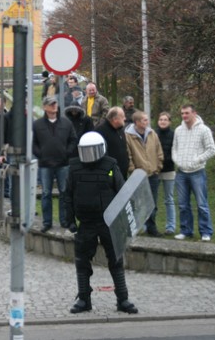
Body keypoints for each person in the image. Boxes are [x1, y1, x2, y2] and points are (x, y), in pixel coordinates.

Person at [63, 131, 138, 315]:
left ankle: (123, 299)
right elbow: (68, 196)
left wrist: (124, 222)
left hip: (109, 222)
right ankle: (83, 299)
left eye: (92, 151)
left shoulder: (110, 165)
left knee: (116, 261)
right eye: (85, 151)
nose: (89, 155)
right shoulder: (74, 168)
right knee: (82, 262)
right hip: (86, 222)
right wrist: (69, 221)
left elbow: (122, 192)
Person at [172, 104, 215, 242]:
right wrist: (177, 160)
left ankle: (206, 232)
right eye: (182, 113)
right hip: (181, 173)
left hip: (197, 172)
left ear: (194, 113)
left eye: (187, 113)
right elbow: (175, 148)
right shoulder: (178, 130)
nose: (184, 116)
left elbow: (211, 150)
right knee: (183, 204)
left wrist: (197, 160)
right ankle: (186, 231)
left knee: (202, 204)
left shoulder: (204, 130)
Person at [33, 96, 78, 232]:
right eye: (51, 104)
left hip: (63, 163)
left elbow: (73, 139)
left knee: (64, 192)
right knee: (46, 193)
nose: (54, 106)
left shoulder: (66, 123)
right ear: (44, 107)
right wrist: (40, 154)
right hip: (45, 164)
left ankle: (64, 220)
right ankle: (47, 222)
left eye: (55, 104)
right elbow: (32, 142)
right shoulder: (37, 124)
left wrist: (67, 152)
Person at [125, 111, 164, 237]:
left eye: (147, 120)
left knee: (152, 202)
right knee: (139, 203)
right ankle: (138, 227)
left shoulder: (152, 134)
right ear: (137, 122)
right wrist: (133, 170)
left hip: (153, 174)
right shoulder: (128, 136)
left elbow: (159, 151)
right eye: (144, 120)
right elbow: (128, 155)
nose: (147, 122)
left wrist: (158, 167)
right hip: (138, 176)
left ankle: (152, 227)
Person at [156, 111, 177, 235]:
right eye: (161, 119)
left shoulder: (174, 134)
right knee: (152, 199)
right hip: (155, 170)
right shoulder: (153, 133)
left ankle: (171, 226)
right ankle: (149, 225)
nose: (162, 121)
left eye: (165, 119)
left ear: (169, 122)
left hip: (169, 170)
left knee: (169, 199)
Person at [95, 107, 129, 180]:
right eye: (122, 117)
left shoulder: (120, 130)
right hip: (110, 174)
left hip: (122, 173)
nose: (125, 118)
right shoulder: (100, 131)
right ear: (115, 119)